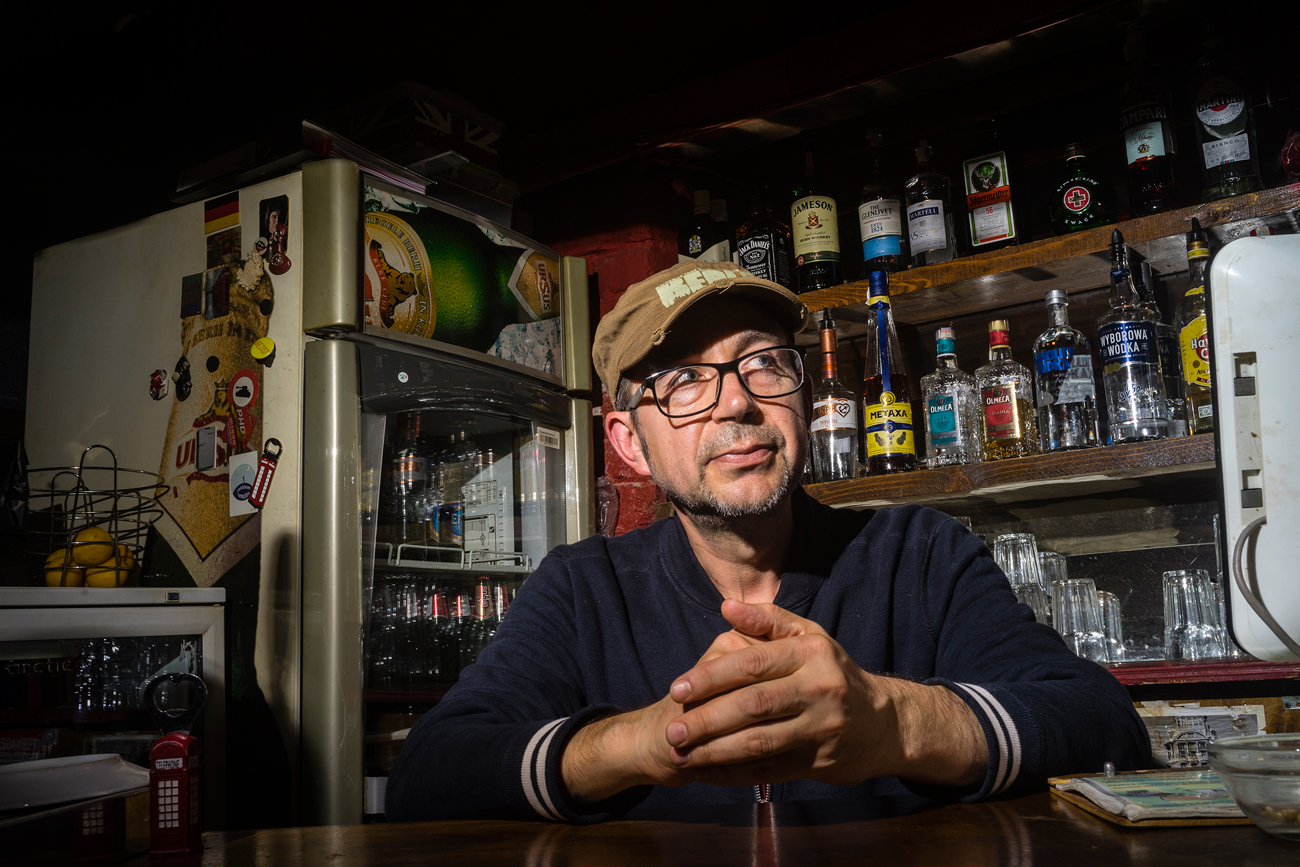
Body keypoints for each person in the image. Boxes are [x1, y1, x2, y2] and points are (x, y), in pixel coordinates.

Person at [386, 261, 1149, 823]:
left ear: (803, 395)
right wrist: (641, 742)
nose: (738, 402)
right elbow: (429, 773)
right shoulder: (584, 588)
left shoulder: (918, 553)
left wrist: (892, 721)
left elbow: (1103, 723)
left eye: (763, 362)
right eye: (685, 380)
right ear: (628, 442)